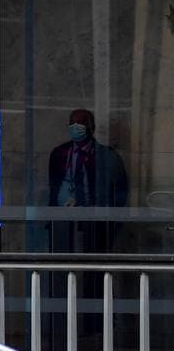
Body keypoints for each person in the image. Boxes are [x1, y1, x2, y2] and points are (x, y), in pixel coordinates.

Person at [47, 108, 128, 252]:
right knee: (60, 262)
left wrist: (112, 220)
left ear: (92, 128)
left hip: (94, 221)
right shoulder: (59, 153)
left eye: (81, 123)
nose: (76, 126)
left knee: (93, 263)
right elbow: (53, 186)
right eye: (72, 123)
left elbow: (120, 191)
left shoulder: (107, 156)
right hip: (61, 219)